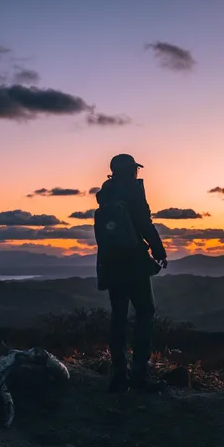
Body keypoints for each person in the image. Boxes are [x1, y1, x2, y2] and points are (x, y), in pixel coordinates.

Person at [94, 154, 169, 393]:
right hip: (133, 261)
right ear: (129, 171)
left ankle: (118, 374)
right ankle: (139, 374)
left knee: (119, 315)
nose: (137, 173)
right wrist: (158, 250)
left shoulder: (106, 194)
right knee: (145, 313)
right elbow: (144, 224)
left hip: (110, 262)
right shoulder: (133, 192)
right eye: (134, 170)